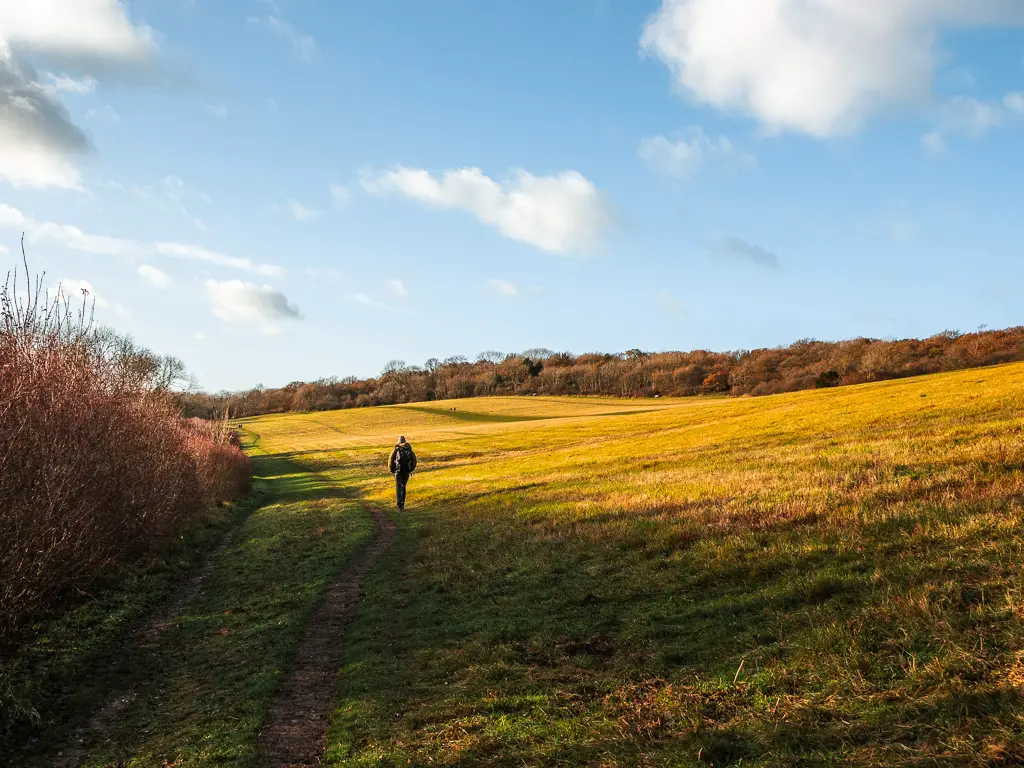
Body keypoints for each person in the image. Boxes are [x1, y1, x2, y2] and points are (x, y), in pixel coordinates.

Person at [388, 436, 417, 510]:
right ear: (405, 441)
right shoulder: (409, 449)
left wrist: (392, 470)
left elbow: (390, 461)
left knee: (398, 488)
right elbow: (414, 461)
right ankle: (402, 504)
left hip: (398, 472)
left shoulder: (396, 449)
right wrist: (410, 469)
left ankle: (399, 506)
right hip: (406, 472)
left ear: (398, 441)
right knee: (403, 487)